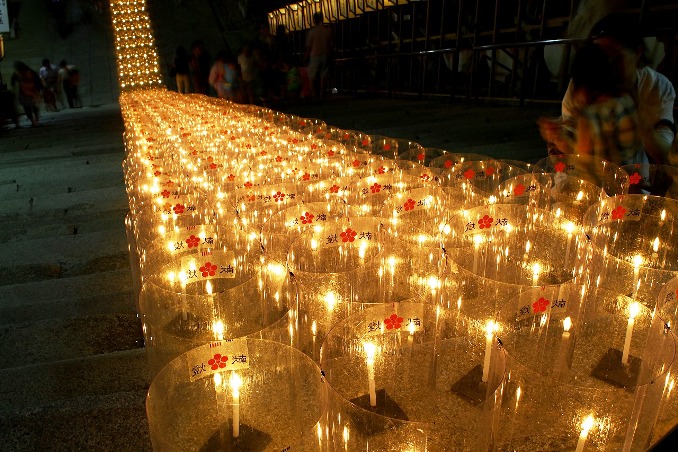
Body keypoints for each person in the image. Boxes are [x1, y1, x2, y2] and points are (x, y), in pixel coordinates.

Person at [539, 13, 676, 166]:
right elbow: (579, 152)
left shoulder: (656, 88)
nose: (605, 67)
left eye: (616, 58)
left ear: (638, 52)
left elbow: (665, 157)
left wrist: (641, 124)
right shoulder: (583, 84)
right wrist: (559, 136)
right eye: (599, 57)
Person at [563, 42, 641, 166]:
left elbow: (623, 166)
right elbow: (579, 158)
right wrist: (558, 138)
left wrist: (584, 126)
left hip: (619, 182)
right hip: (587, 181)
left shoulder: (619, 108)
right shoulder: (584, 110)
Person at [304, 12, 334, 99]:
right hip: (325, 54)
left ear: (314, 20)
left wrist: (305, 57)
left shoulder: (312, 32)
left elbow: (308, 47)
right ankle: (321, 94)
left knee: (312, 76)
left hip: (314, 55)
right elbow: (330, 45)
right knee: (323, 75)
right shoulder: (327, 30)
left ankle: (313, 94)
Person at [11, 61, 42, 127]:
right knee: (29, 107)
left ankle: (35, 121)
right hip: (25, 92)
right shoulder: (18, 73)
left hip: (31, 92)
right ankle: (34, 121)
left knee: (32, 107)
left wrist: (38, 90)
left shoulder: (29, 72)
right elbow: (13, 82)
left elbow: (37, 80)